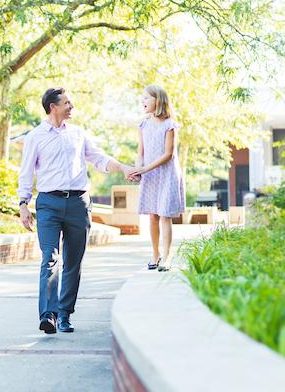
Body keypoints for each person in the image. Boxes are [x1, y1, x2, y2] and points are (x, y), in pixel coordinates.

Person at [18, 87, 135, 334]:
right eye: (67, 103)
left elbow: (99, 159)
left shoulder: (78, 134)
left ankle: (64, 314)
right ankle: (47, 314)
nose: (72, 107)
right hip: (48, 203)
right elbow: (26, 171)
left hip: (78, 203)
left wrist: (123, 167)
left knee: (73, 261)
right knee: (50, 257)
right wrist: (23, 204)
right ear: (53, 107)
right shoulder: (35, 136)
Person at [128, 85, 185, 272]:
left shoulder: (170, 125)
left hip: (167, 174)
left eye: (146, 98)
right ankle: (155, 255)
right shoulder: (143, 124)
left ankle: (167, 258)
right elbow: (140, 152)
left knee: (165, 215)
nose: (142, 102)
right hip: (150, 175)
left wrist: (145, 168)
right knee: (153, 216)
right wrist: (138, 169)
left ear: (157, 100)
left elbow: (168, 154)